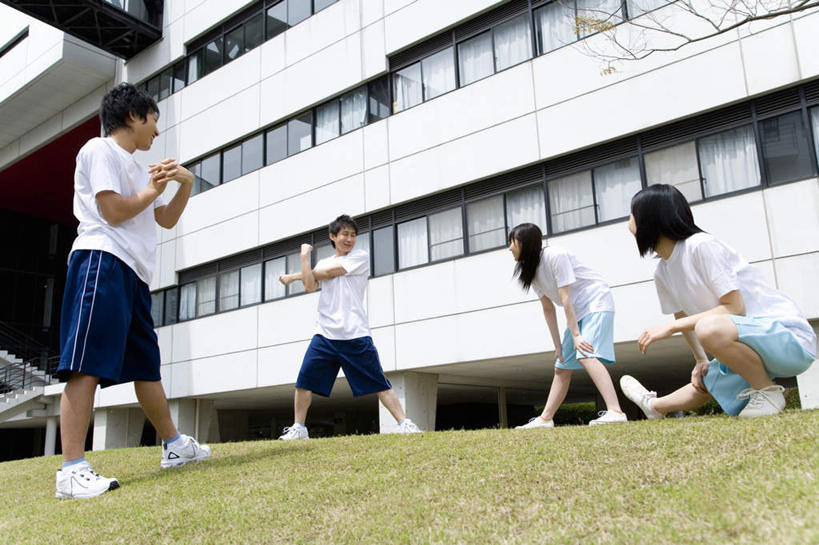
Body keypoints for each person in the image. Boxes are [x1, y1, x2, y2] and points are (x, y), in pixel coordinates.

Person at [55, 83, 210, 500]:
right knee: (85, 364)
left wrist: (185, 184)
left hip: (134, 273)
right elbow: (113, 211)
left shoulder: (140, 170)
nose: (157, 131)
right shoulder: (98, 150)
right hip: (100, 261)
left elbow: (164, 221)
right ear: (133, 116)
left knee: (146, 366)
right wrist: (153, 190)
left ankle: (174, 446)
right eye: (154, 119)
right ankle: (71, 469)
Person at [620, 184, 816, 419]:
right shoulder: (662, 271)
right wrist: (700, 358)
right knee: (705, 379)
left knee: (708, 327)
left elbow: (734, 307)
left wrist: (669, 328)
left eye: (632, 212)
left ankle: (767, 392)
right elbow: (681, 315)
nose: (628, 219)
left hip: (789, 338)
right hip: (752, 343)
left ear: (649, 217)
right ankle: (652, 406)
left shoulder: (700, 246)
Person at [277, 215, 421, 439]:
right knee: (304, 381)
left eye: (353, 235)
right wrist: (304, 258)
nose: (349, 239)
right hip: (325, 333)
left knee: (379, 382)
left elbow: (327, 274)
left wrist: (295, 275)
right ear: (333, 237)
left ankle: (405, 423)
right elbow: (309, 286)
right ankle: (299, 428)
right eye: (344, 234)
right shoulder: (322, 262)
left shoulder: (360, 257)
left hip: (355, 333)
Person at [508, 223, 626, 428]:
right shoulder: (531, 271)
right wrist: (558, 346)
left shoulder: (556, 255)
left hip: (596, 303)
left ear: (525, 243)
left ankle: (616, 411)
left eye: (512, 243)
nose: (509, 248)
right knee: (562, 368)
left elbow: (565, 297)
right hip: (578, 312)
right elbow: (548, 308)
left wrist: (577, 336)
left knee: (586, 355)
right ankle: (545, 419)